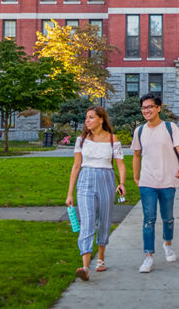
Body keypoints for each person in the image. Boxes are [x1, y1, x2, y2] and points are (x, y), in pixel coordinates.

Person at [66, 106, 127, 281]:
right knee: (87, 222)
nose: (87, 120)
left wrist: (122, 183)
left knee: (104, 221)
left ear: (101, 119)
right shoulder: (81, 140)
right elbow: (76, 166)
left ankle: (100, 258)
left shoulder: (112, 140)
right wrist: (70, 193)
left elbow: (121, 165)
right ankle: (85, 267)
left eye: (91, 117)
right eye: (86, 118)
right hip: (85, 180)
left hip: (106, 179)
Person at [131, 93, 179, 273]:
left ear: (158, 108)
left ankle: (167, 244)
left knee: (168, 218)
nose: (146, 110)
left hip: (169, 179)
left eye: (150, 107)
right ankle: (148, 256)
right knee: (149, 219)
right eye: (144, 108)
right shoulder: (139, 131)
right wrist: (136, 176)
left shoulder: (170, 128)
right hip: (147, 181)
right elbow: (136, 155)